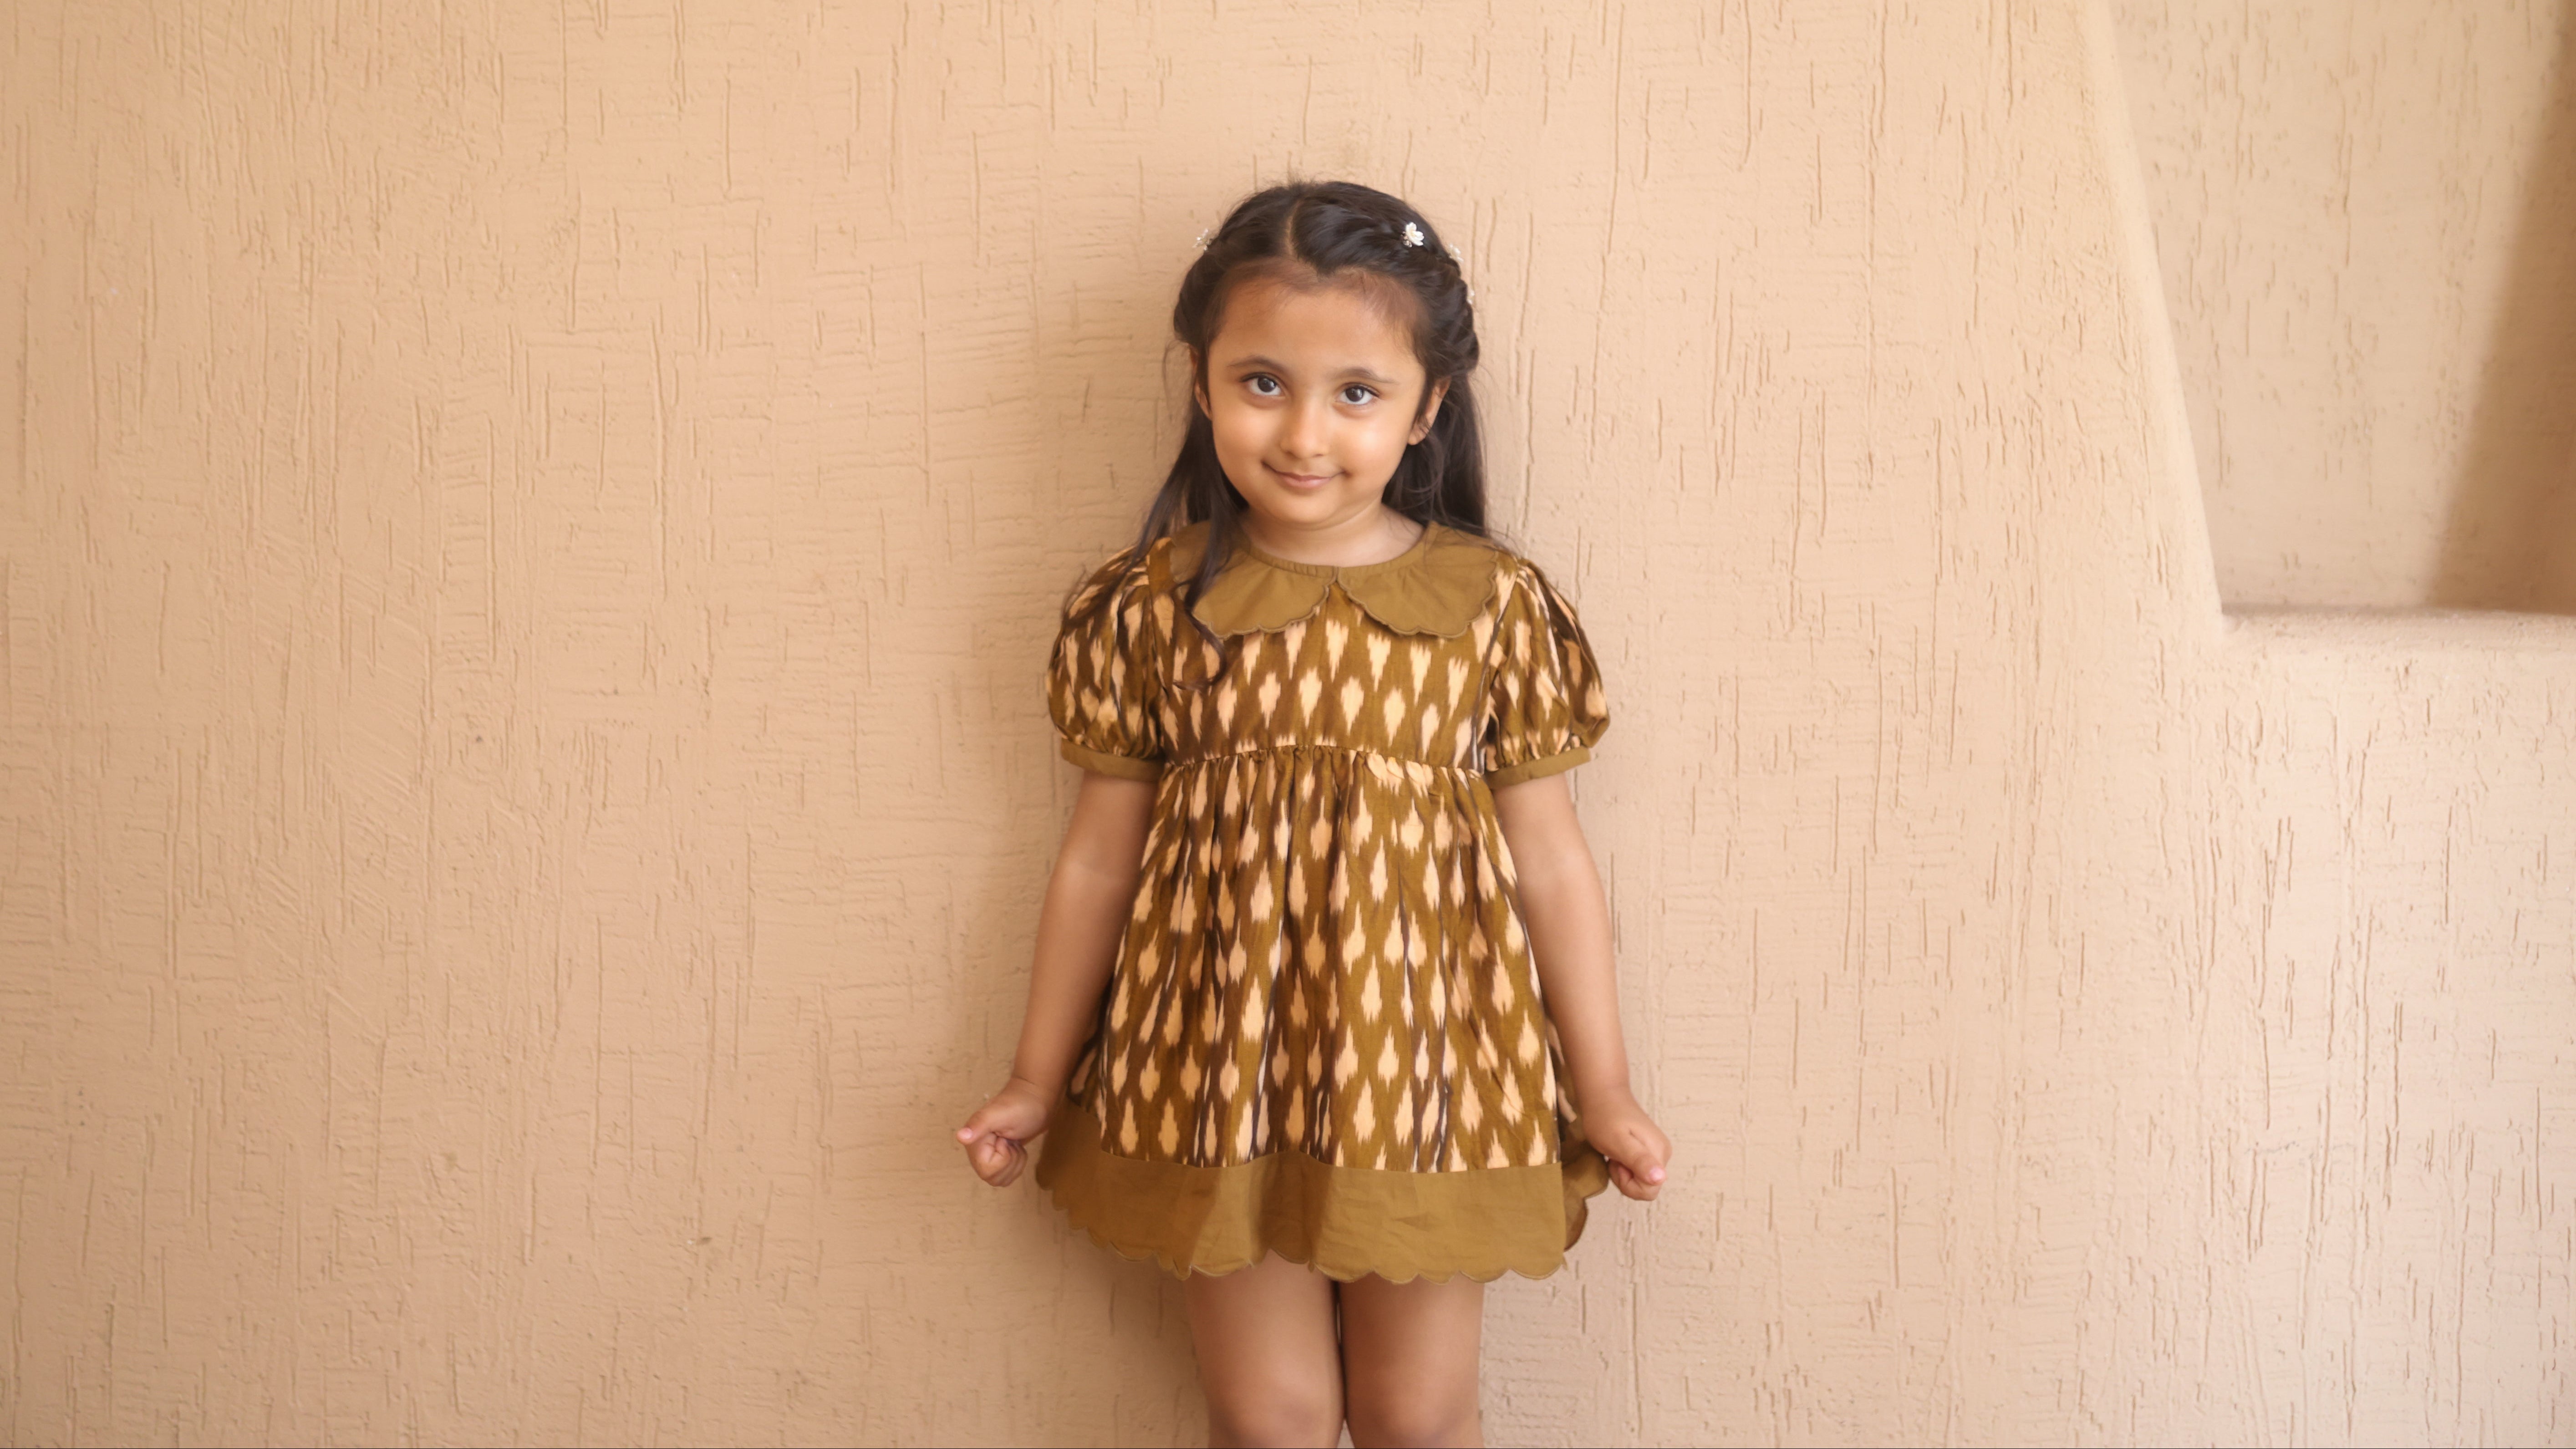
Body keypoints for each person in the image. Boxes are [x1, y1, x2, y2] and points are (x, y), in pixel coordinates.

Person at [955, 179, 1670, 1449]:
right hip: (1212, 1066)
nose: (1302, 432)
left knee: (1414, 1418)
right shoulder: (1146, 608)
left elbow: (1551, 864)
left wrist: (1602, 1088)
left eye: (1356, 393)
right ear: (1201, 381)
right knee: (1271, 1422)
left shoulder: (1493, 605)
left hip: (1433, 1072)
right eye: (1261, 381)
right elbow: (1096, 865)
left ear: (1424, 409)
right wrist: (1032, 1073)